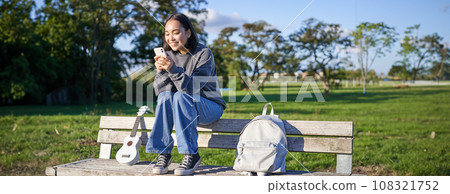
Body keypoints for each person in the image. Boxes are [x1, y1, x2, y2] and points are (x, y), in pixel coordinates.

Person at [146, 13, 226, 176]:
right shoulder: (168, 55)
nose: (171, 38)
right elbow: (161, 91)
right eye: (167, 33)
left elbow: (194, 88)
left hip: (209, 107)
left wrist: (173, 70)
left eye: (176, 32)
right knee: (166, 96)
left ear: (188, 32)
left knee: (181, 96)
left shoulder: (203, 53)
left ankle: (191, 155)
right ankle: (164, 153)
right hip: (181, 106)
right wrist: (161, 72)